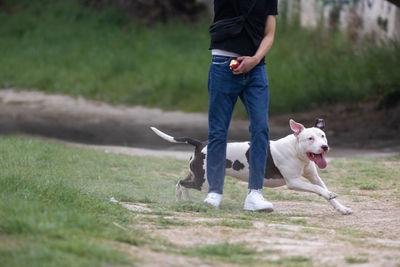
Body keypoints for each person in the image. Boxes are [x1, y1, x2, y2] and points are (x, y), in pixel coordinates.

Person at [204, 0, 278, 211]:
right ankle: (214, 193)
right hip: (222, 65)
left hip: (256, 70)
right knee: (218, 130)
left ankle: (255, 194)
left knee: (261, 128)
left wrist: (255, 59)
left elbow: (269, 34)